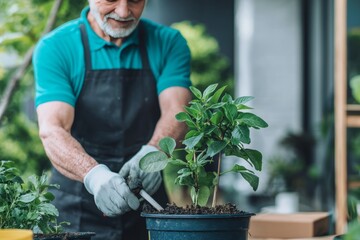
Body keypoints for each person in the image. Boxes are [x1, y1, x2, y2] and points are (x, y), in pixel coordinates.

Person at [32, 0, 192, 239]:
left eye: (135, 0)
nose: (124, 11)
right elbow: (53, 130)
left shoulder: (168, 43)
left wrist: (153, 153)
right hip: (77, 208)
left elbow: (178, 111)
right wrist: (94, 175)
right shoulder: (56, 47)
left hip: (147, 200)